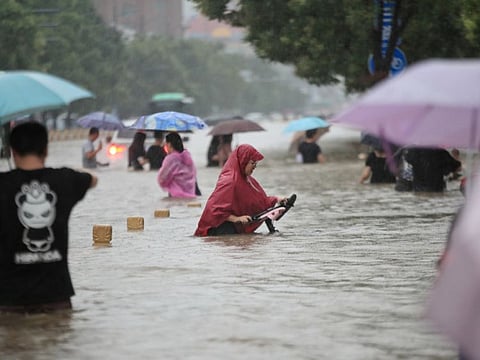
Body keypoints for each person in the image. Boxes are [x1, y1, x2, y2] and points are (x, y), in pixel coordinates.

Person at [0, 121, 97, 313]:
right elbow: (93, 179)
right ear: (46, 149)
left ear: (12, 150)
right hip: (56, 298)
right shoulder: (65, 180)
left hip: (8, 300)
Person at [194, 144, 286, 236]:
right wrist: (236, 219)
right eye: (252, 163)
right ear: (244, 161)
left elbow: (259, 202)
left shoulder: (248, 180)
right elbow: (214, 210)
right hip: (218, 230)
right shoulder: (229, 181)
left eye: (256, 163)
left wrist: (277, 199)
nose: (255, 167)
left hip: (235, 229)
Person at [157, 132, 198, 198]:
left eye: (166, 144)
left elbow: (162, 178)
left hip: (175, 195)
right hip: (191, 194)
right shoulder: (188, 156)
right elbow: (194, 173)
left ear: (169, 144)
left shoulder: (171, 158)